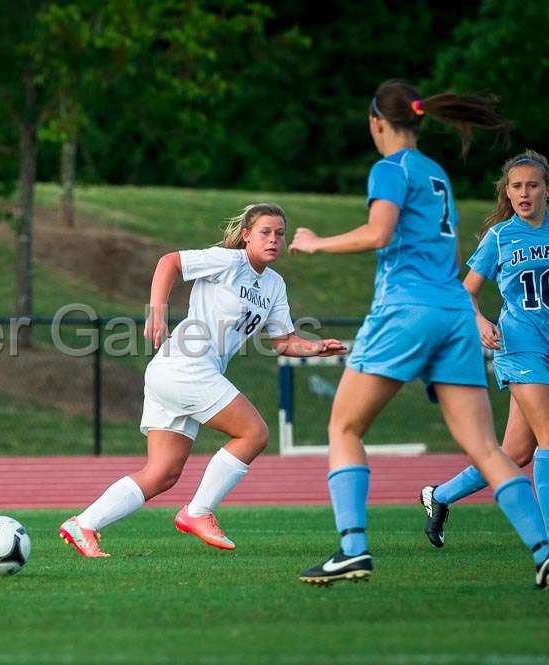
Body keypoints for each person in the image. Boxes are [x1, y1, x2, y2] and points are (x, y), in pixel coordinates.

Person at [289, 80, 549, 589]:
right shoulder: (436, 173)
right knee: (486, 447)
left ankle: (353, 549)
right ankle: (543, 549)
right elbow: (449, 257)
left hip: (406, 308)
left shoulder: (390, 169)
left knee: (344, 429)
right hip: (453, 311)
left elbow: (379, 233)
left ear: (376, 122)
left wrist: (318, 244)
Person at [60, 203, 347, 557]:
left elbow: (284, 342)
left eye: (280, 233)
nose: (274, 240)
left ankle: (84, 523)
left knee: (163, 473)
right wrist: (157, 312)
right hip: (185, 367)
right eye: (265, 232)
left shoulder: (274, 285)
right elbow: (170, 262)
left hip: (179, 373)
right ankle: (197, 512)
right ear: (246, 236)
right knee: (254, 433)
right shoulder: (229, 262)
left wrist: (315, 347)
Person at [420, 150, 549, 547]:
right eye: (516, 187)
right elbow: (466, 293)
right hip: (520, 344)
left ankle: (438, 496)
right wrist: (478, 321)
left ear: (547, 189)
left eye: (532, 185)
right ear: (506, 193)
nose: (523, 193)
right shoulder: (501, 236)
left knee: (515, 452)